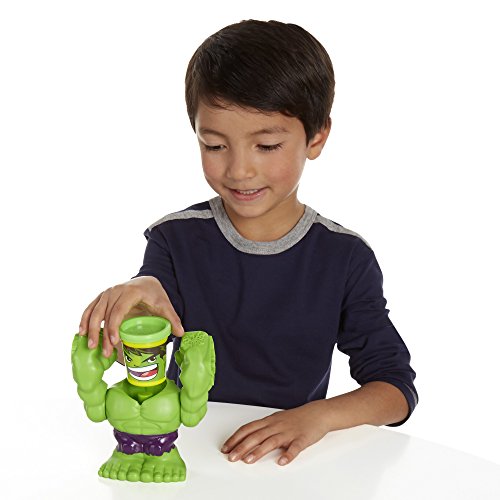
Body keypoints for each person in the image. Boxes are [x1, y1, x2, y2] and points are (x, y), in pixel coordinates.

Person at [79, 19, 418, 467]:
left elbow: (395, 389)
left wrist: (315, 418)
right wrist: (137, 298)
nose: (239, 170)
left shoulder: (345, 258)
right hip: (188, 453)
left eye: (267, 146)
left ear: (316, 137)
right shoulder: (174, 238)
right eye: (215, 146)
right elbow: (151, 307)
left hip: (282, 464)